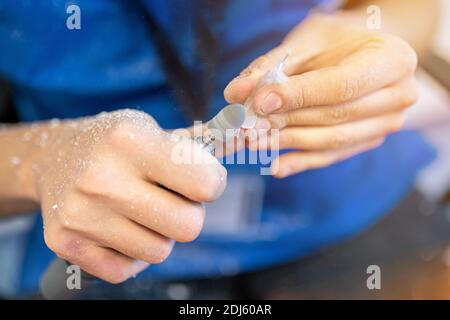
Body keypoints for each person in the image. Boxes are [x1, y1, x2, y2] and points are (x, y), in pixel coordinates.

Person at [0, 0, 438, 298]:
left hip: (350, 201)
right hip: (103, 240)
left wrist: (372, 35)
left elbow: (412, 8)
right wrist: (38, 160)